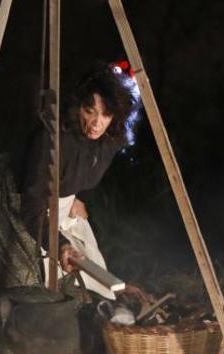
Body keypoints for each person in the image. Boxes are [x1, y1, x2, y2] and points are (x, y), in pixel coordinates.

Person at [19, 62, 141, 299]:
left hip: (67, 213)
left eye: (105, 114)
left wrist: (79, 196)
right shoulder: (54, 141)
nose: (97, 123)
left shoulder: (107, 141)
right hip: (38, 216)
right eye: (90, 111)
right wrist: (59, 243)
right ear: (78, 109)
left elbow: (91, 172)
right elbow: (31, 205)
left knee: (101, 283)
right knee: (55, 287)